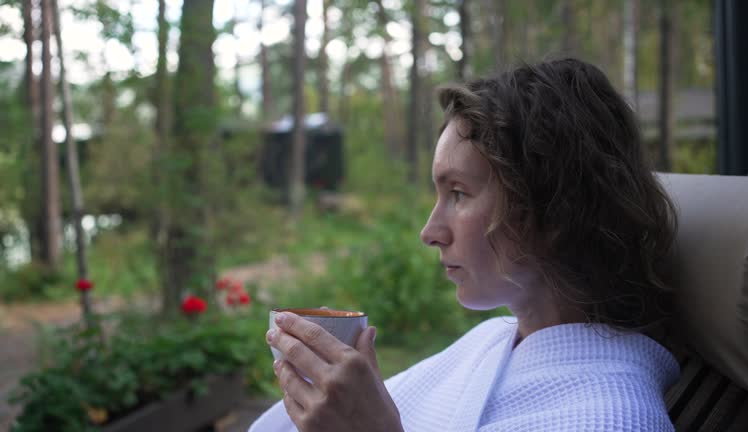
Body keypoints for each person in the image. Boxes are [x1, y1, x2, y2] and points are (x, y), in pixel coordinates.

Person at [248, 58, 680, 432]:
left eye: (458, 193)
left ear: (556, 209)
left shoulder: (616, 416)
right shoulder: (494, 342)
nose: (429, 231)